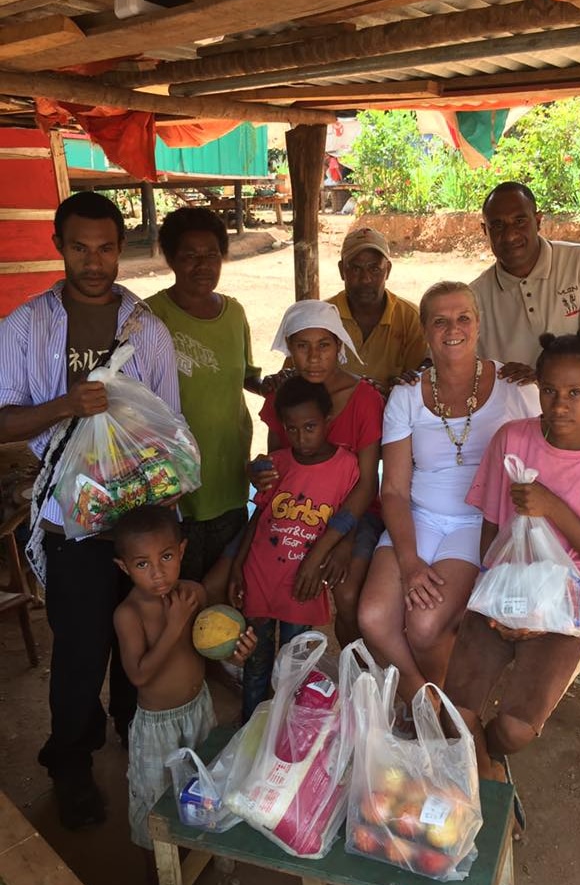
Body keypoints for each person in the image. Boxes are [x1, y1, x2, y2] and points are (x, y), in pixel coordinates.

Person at [0, 191, 180, 829]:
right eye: (81, 247)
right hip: (67, 519)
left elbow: (168, 423)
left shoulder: (144, 328)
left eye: (106, 248)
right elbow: (3, 421)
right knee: (80, 646)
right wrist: (63, 406)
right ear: (60, 246)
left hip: (135, 518)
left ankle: (135, 730)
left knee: (142, 629)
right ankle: (70, 761)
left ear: (120, 248)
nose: (95, 261)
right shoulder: (26, 327)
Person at [444, 327, 580, 824]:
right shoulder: (513, 439)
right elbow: (489, 526)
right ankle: (487, 776)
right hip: (505, 591)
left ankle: (489, 757)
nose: (560, 404)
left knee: (517, 729)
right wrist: (498, 589)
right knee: (454, 711)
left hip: (571, 603)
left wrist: (552, 508)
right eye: (550, 391)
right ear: (537, 386)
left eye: (575, 394)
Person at [358, 281, 540, 711]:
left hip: (478, 522)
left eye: (463, 318)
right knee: (373, 617)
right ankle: (428, 703)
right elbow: (395, 490)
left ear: (478, 325)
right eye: (440, 321)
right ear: (424, 331)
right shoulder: (406, 395)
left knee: (423, 626)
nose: (452, 329)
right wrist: (409, 560)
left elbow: (549, 455)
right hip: (417, 517)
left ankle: (435, 708)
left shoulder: (515, 388)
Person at [112, 505, 257, 850]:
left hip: (198, 711)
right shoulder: (128, 614)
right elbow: (138, 675)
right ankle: (158, 866)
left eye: (165, 557)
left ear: (181, 551)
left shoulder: (194, 595)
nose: (158, 574)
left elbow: (205, 651)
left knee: (201, 786)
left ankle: (198, 846)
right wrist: (175, 624)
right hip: (157, 727)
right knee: (156, 800)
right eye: (142, 564)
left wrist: (236, 655)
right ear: (124, 567)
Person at [254, 300, 384, 647]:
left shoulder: (365, 398)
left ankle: (358, 673)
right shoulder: (283, 394)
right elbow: (277, 467)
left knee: (346, 595)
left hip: (353, 516)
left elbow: (368, 484)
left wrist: (336, 544)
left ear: (339, 346)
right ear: (289, 349)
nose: (313, 357)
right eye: (302, 345)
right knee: (233, 573)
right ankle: (257, 663)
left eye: (324, 345)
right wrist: (260, 474)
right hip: (293, 510)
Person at [230, 376, 359, 721]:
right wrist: (237, 568)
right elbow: (258, 518)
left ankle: (284, 731)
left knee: (294, 666)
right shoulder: (278, 464)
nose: (302, 437)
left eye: (311, 426)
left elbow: (350, 516)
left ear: (328, 421)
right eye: (293, 429)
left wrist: (339, 550)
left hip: (301, 585)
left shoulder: (347, 466)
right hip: (260, 576)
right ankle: (251, 728)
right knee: (256, 664)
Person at [146, 207, 264, 582]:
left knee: (225, 593)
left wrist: (280, 384)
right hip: (175, 485)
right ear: (170, 259)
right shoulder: (151, 316)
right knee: (180, 592)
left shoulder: (234, 313)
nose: (202, 265)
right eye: (189, 256)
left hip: (227, 472)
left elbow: (246, 376)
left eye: (211, 254)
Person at [472, 181, 580, 436]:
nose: (510, 234)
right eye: (497, 225)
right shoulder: (475, 296)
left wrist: (541, 377)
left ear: (538, 220)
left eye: (520, 221)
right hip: (525, 425)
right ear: (485, 230)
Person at [326, 227, 428, 389]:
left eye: (374, 269)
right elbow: (296, 377)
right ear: (341, 270)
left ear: (387, 270)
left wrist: (393, 390)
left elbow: (419, 383)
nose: (366, 279)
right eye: (356, 268)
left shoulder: (410, 318)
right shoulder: (322, 317)